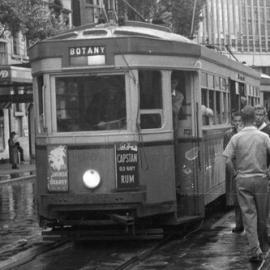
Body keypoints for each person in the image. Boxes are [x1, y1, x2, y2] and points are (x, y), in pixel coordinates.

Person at [223, 105, 270, 262]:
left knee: (249, 215)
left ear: (242, 120)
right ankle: (265, 247)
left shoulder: (236, 138)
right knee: (263, 215)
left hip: (243, 179)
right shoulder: (264, 137)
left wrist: (235, 173)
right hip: (261, 178)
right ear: (254, 119)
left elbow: (228, 159)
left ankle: (254, 250)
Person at [223, 112, 244, 233]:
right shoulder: (228, 134)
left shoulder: (247, 134)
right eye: (235, 121)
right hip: (234, 167)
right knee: (237, 199)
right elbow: (226, 153)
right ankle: (239, 224)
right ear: (232, 122)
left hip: (245, 166)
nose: (237, 123)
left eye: (240, 121)